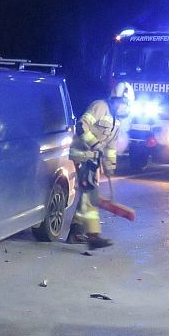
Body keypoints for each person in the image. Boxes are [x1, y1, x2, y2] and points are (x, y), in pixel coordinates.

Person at [70, 82, 133, 248]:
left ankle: (76, 232)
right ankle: (93, 236)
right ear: (114, 99)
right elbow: (81, 126)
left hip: (93, 158)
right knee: (90, 194)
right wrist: (96, 145)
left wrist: (110, 166)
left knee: (86, 194)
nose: (122, 106)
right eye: (120, 102)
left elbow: (110, 147)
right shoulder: (100, 106)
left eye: (125, 103)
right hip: (82, 155)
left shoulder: (116, 121)